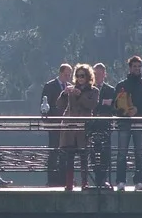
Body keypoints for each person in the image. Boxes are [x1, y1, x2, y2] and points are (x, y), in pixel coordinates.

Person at [55, 63, 100, 191]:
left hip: (83, 126)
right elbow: (59, 105)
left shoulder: (94, 91)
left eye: (83, 76)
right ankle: (69, 183)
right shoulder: (70, 89)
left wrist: (80, 95)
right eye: (78, 76)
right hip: (70, 126)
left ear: (88, 77)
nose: (80, 78)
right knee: (69, 156)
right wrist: (64, 94)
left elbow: (92, 105)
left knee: (84, 156)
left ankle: (85, 182)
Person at [113, 56, 142, 191]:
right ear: (129, 68)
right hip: (124, 122)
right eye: (134, 66)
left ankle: (139, 182)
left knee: (139, 154)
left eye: (139, 66)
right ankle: (120, 181)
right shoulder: (121, 85)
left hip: (140, 122)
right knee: (121, 154)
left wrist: (137, 108)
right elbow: (115, 105)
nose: (137, 69)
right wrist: (123, 109)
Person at [41, 64, 73, 187]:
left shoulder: (70, 87)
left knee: (65, 151)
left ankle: (63, 179)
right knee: (53, 151)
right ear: (60, 73)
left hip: (66, 125)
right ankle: (52, 179)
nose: (68, 76)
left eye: (69, 74)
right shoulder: (50, 86)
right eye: (66, 74)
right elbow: (44, 106)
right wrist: (48, 122)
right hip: (54, 124)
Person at [90, 62, 116, 188]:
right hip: (92, 125)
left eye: (100, 74)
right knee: (93, 153)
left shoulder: (110, 90)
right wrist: (103, 103)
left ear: (105, 74)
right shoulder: (89, 89)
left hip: (105, 125)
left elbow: (114, 107)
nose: (98, 76)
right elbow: (91, 105)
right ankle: (96, 178)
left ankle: (104, 179)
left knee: (105, 153)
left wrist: (107, 104)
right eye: (95, 74)